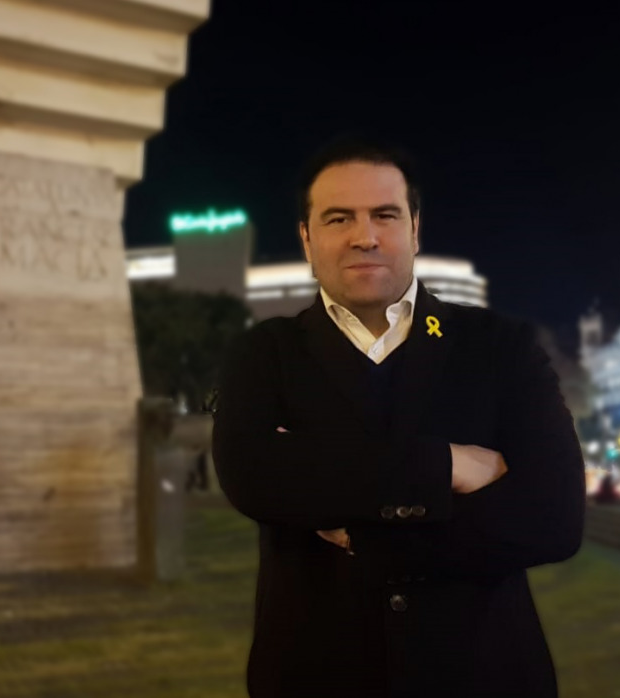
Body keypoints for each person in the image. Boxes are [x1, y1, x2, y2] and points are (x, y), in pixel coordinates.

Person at [212, 138, 585, 698]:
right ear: (307, 239)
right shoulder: (264, 353)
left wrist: (366, 536)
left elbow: (553, 518)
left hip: (483, 675)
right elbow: (254, 477)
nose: (364, 236)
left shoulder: (500, 346)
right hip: (316, 676)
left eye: (384, 215)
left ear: (415, 229)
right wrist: (446, 466)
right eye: (339, 218)